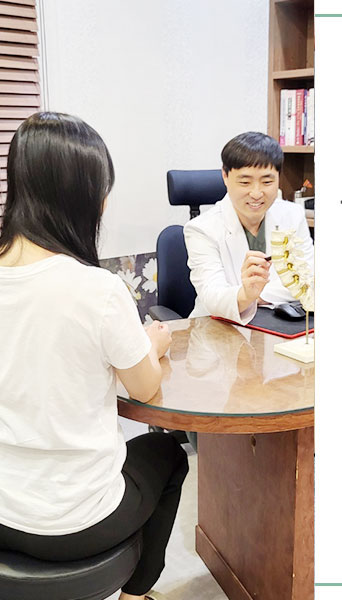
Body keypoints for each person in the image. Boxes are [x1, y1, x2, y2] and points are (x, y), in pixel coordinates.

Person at [0, 112, 188, 600]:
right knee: (168, 455)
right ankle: (136, 594)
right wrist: (154, 345)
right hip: (76, 522)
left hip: (3, 511)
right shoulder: (97, 290)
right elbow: (144, 387)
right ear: (82, 198)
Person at [184, 131, 314, 323]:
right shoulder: (201, 229)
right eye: (245, 182)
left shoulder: (293, 215)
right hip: (218, 326)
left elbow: (308, 280)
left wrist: (252, 295)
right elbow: (212, 298)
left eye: (267, 182)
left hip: (276, 323)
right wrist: (246, 294)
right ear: (225, 176)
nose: (256, 193)